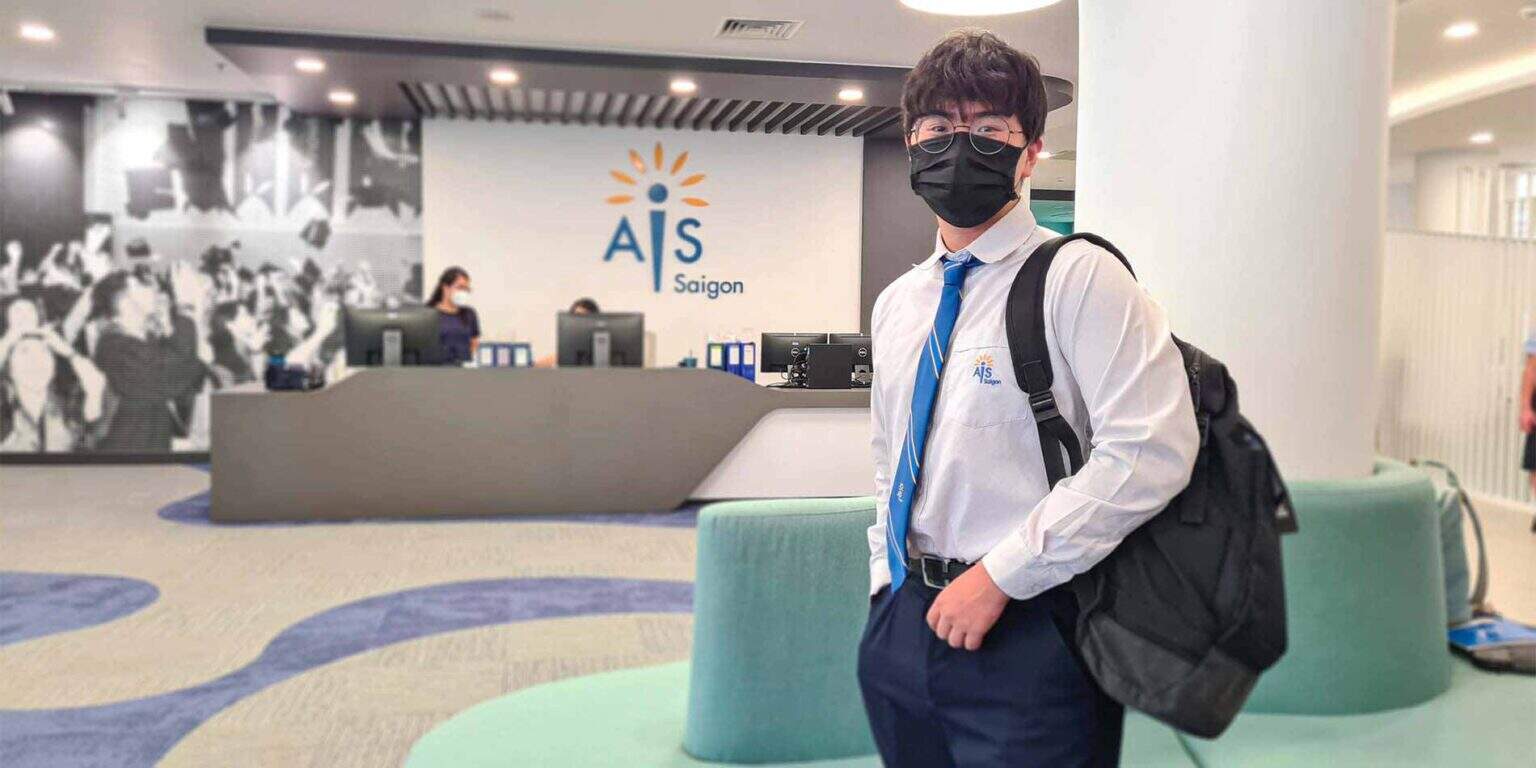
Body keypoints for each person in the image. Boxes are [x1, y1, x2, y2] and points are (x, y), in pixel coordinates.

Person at [858, 30, 1199, 766]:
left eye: (988, 130)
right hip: (905, 620)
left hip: (1033, 624)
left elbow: (1152, 450)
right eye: (939, 129)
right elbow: (891, 457)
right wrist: (885, 585)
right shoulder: (898, 303)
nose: (959, 146)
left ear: (1031, 151)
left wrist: (1000, 577)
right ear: (912, 144)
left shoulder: (1079, 278)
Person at [427, 266, 480, 365]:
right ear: (445, 287)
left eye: (466, 289)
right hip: (436, 371)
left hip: (462, 371)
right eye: (460, 287)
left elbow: (474, 342)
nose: (463, 292)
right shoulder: (428, 313)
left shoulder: (469, 314)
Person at [535, 297, 601, 368]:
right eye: (577, 317)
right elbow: (535, 367)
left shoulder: (603, 355)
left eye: (586, 318)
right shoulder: (563, 355)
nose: (581, 322)